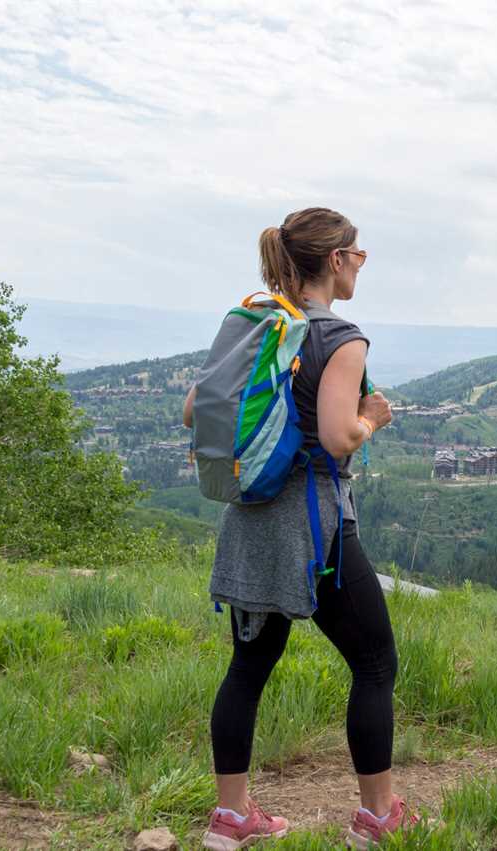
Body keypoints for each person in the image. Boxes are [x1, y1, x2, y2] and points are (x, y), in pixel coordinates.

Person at [185, 207, 416, 850]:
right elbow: (342, 434)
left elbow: (193, 409)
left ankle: (231, 820)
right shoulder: (340, 338)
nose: (362, 264)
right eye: (358, 254)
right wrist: (373, 419)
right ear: (336, 260)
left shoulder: (259, 326)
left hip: (251, 520)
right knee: (374, 662)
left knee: (248, 668)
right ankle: (377, 818)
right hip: (316, 530)